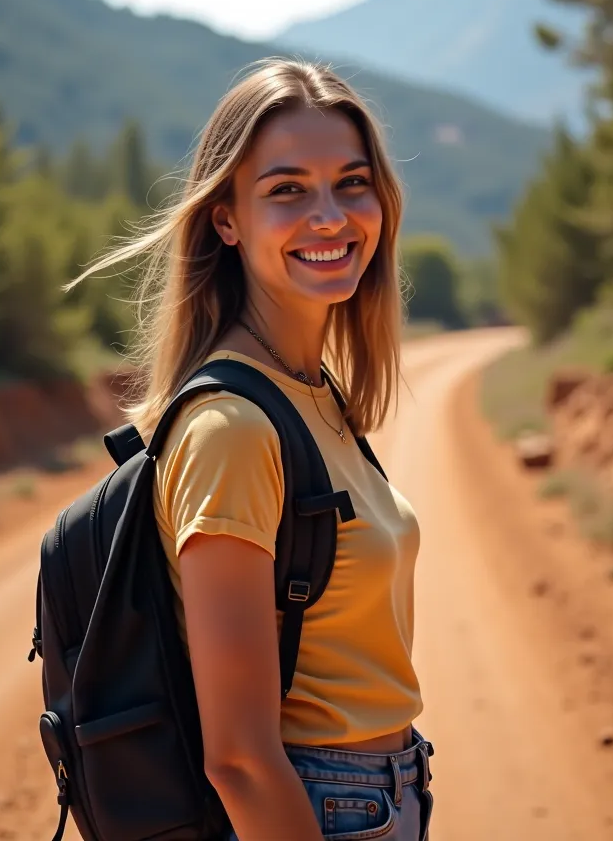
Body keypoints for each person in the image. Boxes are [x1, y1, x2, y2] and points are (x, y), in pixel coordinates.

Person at [89, 58, 433, 840]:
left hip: (381, 794)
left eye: (352, 182)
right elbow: (239, 759)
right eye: (287, 190)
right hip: (323, 809)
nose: (331, 216)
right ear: (227, 220)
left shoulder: (312, 396)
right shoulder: (234, 429)